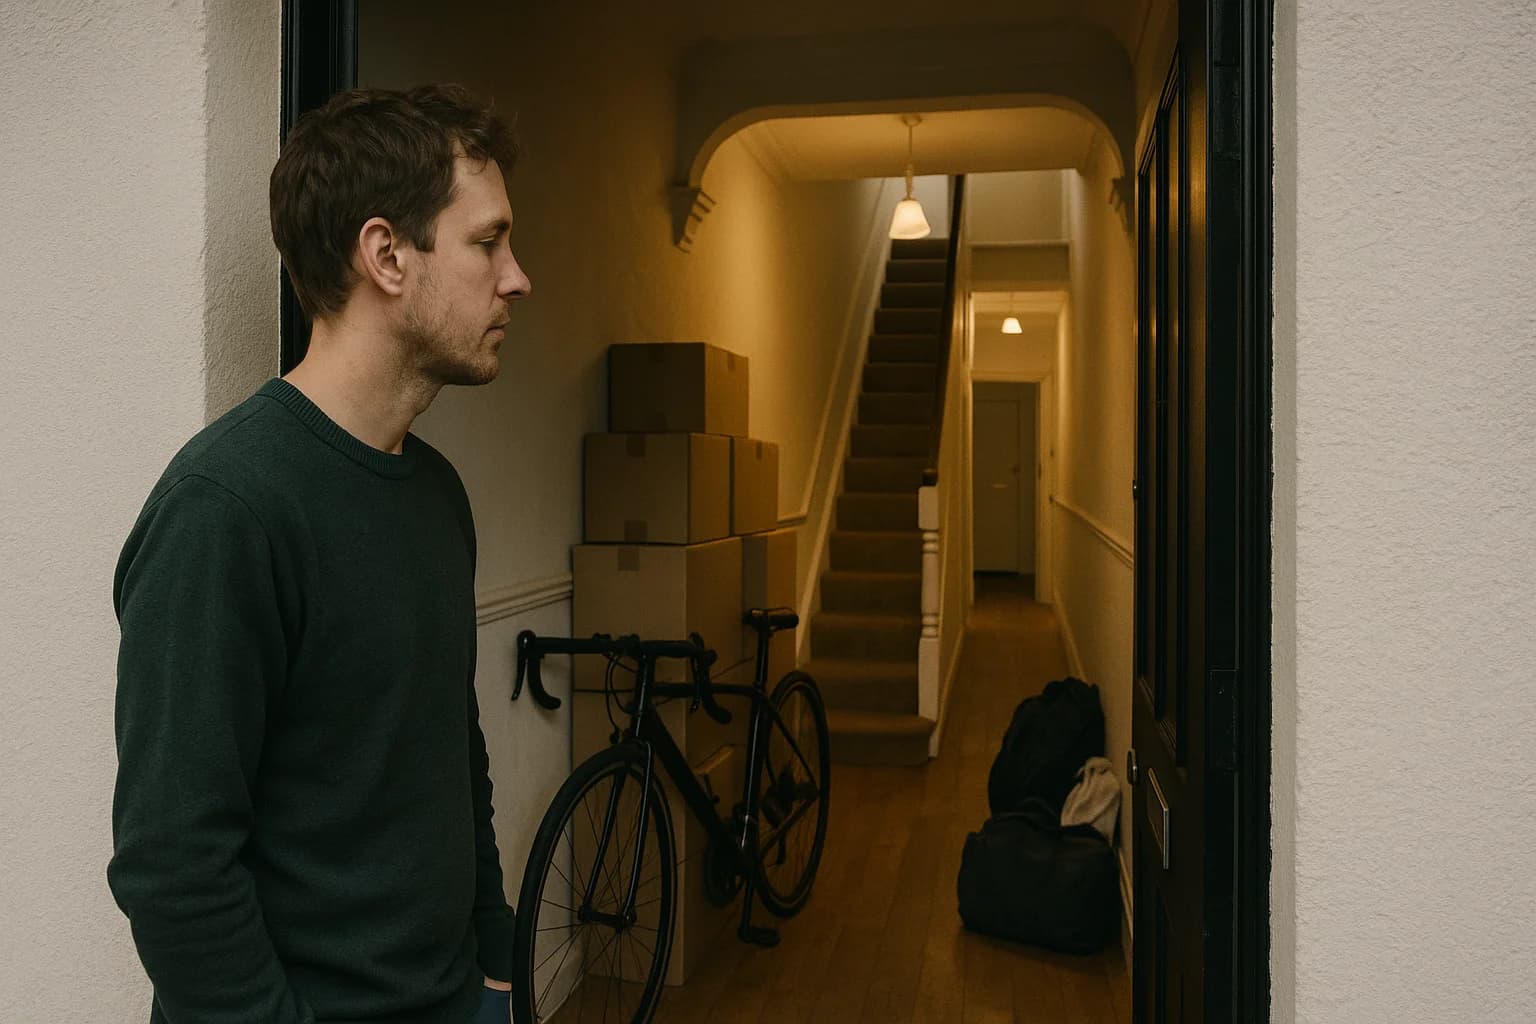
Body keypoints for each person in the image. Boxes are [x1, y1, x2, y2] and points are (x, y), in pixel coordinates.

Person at [108, 84, 533, 1024]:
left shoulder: (436, 494)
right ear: (386, 254)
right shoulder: (225, 508)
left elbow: (448, 762)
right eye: (486, 241)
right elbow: (172, 863)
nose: (516, 277)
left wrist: (497, 963)